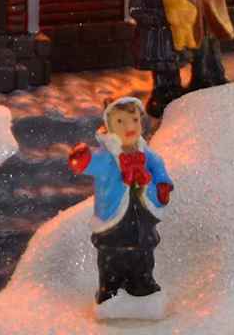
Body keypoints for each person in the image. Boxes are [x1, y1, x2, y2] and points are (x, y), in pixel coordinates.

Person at [68, 97, 174, 310]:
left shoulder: (146, 153)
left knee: (143, 249)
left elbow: (159, 167)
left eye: (134, 120)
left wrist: (163, 184)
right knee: (112, 252)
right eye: (120, 121)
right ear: (109, 126)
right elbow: (94, 164)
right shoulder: (107, 157)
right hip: (114, 215)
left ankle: (142, 283)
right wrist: (83, 160)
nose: (129, 127)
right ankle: (110, 287)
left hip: (142, 210)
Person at [129, 0, 191, 118]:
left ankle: (175, 90)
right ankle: (161, 93)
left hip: (169, 36)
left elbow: (181, 4)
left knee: (172, 65)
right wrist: (152, 18)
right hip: (153, 37)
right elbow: (135, 9)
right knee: (159, 68)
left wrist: (179, 14)